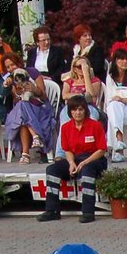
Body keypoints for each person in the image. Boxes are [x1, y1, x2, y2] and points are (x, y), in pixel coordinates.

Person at [40, 95, 107, 224]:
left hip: (94, 159)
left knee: (87, 171)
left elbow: (101, 150)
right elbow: (67, 150)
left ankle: (88, 212)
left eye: (81, 109)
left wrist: (85, 162)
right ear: (70, 112)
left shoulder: (95, 125)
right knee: (52, 169)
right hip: (75, 158)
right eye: (74, 110)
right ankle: (52, 210)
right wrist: (71, 163)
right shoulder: (65, 127)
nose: (77, 113)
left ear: (85, 111)